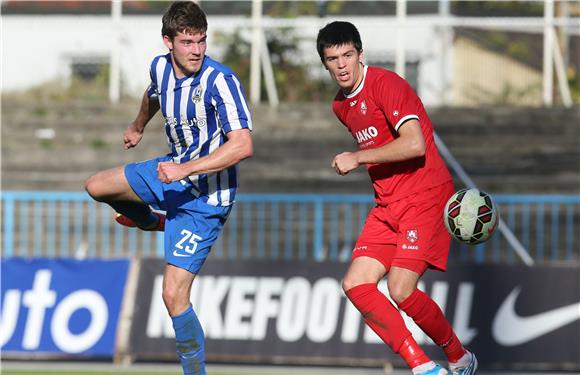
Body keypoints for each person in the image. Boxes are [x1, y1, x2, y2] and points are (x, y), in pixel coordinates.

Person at [84, 2, 253, 374]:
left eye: (202, 41)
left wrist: (186, 169)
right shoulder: (160, 67)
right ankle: (150, 222)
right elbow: (154, 94)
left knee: (173, 296)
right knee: (96, 186)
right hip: (169, 174)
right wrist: (138, 125)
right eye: (188, 42)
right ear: (168, 42)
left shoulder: (220, 80)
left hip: (205, 199)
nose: (196, 50)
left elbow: (242, 145)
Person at [316, 21, 476, 375]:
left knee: (401, 288)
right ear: (325, 64)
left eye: (348, 55)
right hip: (387, 205)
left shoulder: (386, 85)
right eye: (332, 58)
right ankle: (422, 366)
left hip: (424, 196)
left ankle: (458, 356)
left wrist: (357, 158)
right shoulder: (340, 106)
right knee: (355, 284)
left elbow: (415, 143)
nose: (342, 64)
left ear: (361, 54)